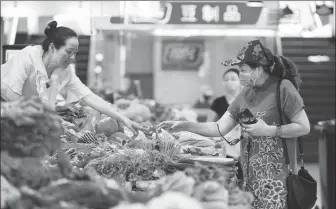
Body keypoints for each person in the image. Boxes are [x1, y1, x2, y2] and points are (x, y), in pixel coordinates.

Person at [158, 40, 311, 209]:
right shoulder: (246, 93)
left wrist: (269, 130)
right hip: (248, 177)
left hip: (277, 179)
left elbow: (304, 126)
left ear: (258, 69)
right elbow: (219, 128)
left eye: (243, 70)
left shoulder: (283, 88)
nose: (240, 75)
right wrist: (184, 125)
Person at [0, 21, 147, 135]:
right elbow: (9, 92)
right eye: (69, 52)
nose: (73, 58)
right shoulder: (28, 56)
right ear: (52, 48)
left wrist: (123, 118)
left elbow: (89, 97)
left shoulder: (64, 71)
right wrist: (37, 116)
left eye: (76, 52)